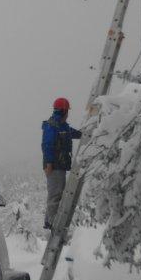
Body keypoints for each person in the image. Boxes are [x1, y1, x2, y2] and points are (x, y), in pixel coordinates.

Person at [41, 97, 82, 229]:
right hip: (54, 166)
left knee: (56, 192)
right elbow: (47, 145)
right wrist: (48, 164)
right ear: (63, 111)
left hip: (59, 165)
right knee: (55, 194)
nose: (68, 114)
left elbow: (71, 133)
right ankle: (52, 222)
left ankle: (49, 220)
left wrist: (84, 134)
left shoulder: (62, 126)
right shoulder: (52, 125)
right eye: (67, 111)